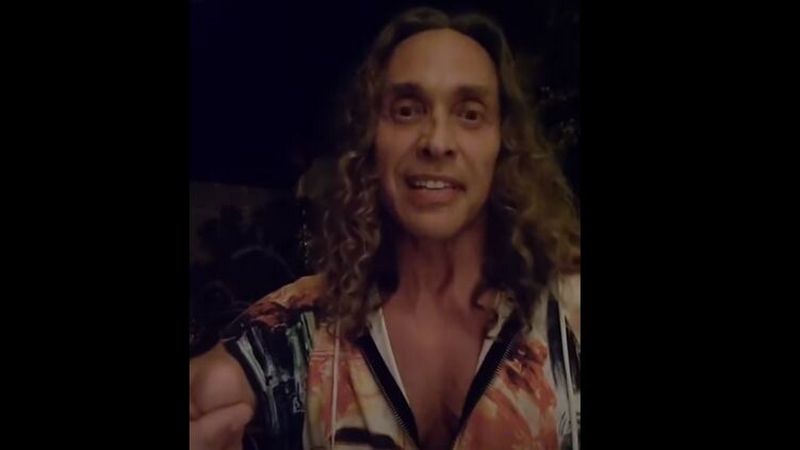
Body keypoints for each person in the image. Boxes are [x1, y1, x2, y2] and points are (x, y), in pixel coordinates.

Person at [190, 6, 580, 450]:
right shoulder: (300, 328)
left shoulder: (571, 316)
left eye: (470, 114)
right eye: (407, 111)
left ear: (503, 144)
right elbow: (210, 391)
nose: (437, 142)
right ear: (370, 140)